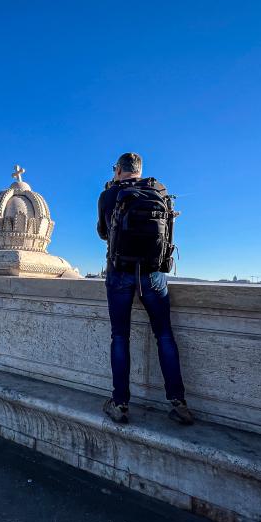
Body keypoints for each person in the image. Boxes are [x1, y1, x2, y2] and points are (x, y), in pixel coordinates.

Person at [97, 152, 194, 425]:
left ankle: (120, 403)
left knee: (120, 337)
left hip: (119, 273)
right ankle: (179, 403)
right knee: (164, 335)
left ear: (118, 170)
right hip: (153, 274)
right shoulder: (158, 190)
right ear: (139, 170)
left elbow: (103, 233)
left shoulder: (109, 195)